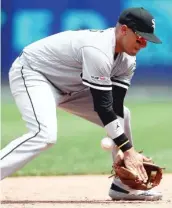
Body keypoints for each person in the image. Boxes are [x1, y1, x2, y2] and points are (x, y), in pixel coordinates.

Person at [0, 7, 162, 200]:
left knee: (124, 115)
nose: (143, 44)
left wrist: (121, 150)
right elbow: (102, 107)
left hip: (70, 87)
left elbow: (114, 105)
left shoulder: (127, 60)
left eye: (147, 40)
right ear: (124, 30)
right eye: (140, 37)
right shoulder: (98, 49)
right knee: (44, 134)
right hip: (35, 74)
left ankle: (123, 187)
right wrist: (129, 151)